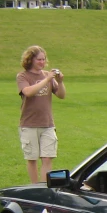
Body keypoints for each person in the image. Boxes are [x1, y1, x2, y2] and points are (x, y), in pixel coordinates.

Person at [16, 45, 66, 183]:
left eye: (44, 60)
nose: (42, 62)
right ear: (30, 59)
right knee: (32, 159)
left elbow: (61, 95)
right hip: (29, 124)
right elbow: (28, 92)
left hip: (47, 124)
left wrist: (60, 82)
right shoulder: (22, 76)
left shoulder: (47, 75)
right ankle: (34, 187)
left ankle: (44, 187)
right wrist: (47, 80)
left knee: (47, 157)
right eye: (39, 59)